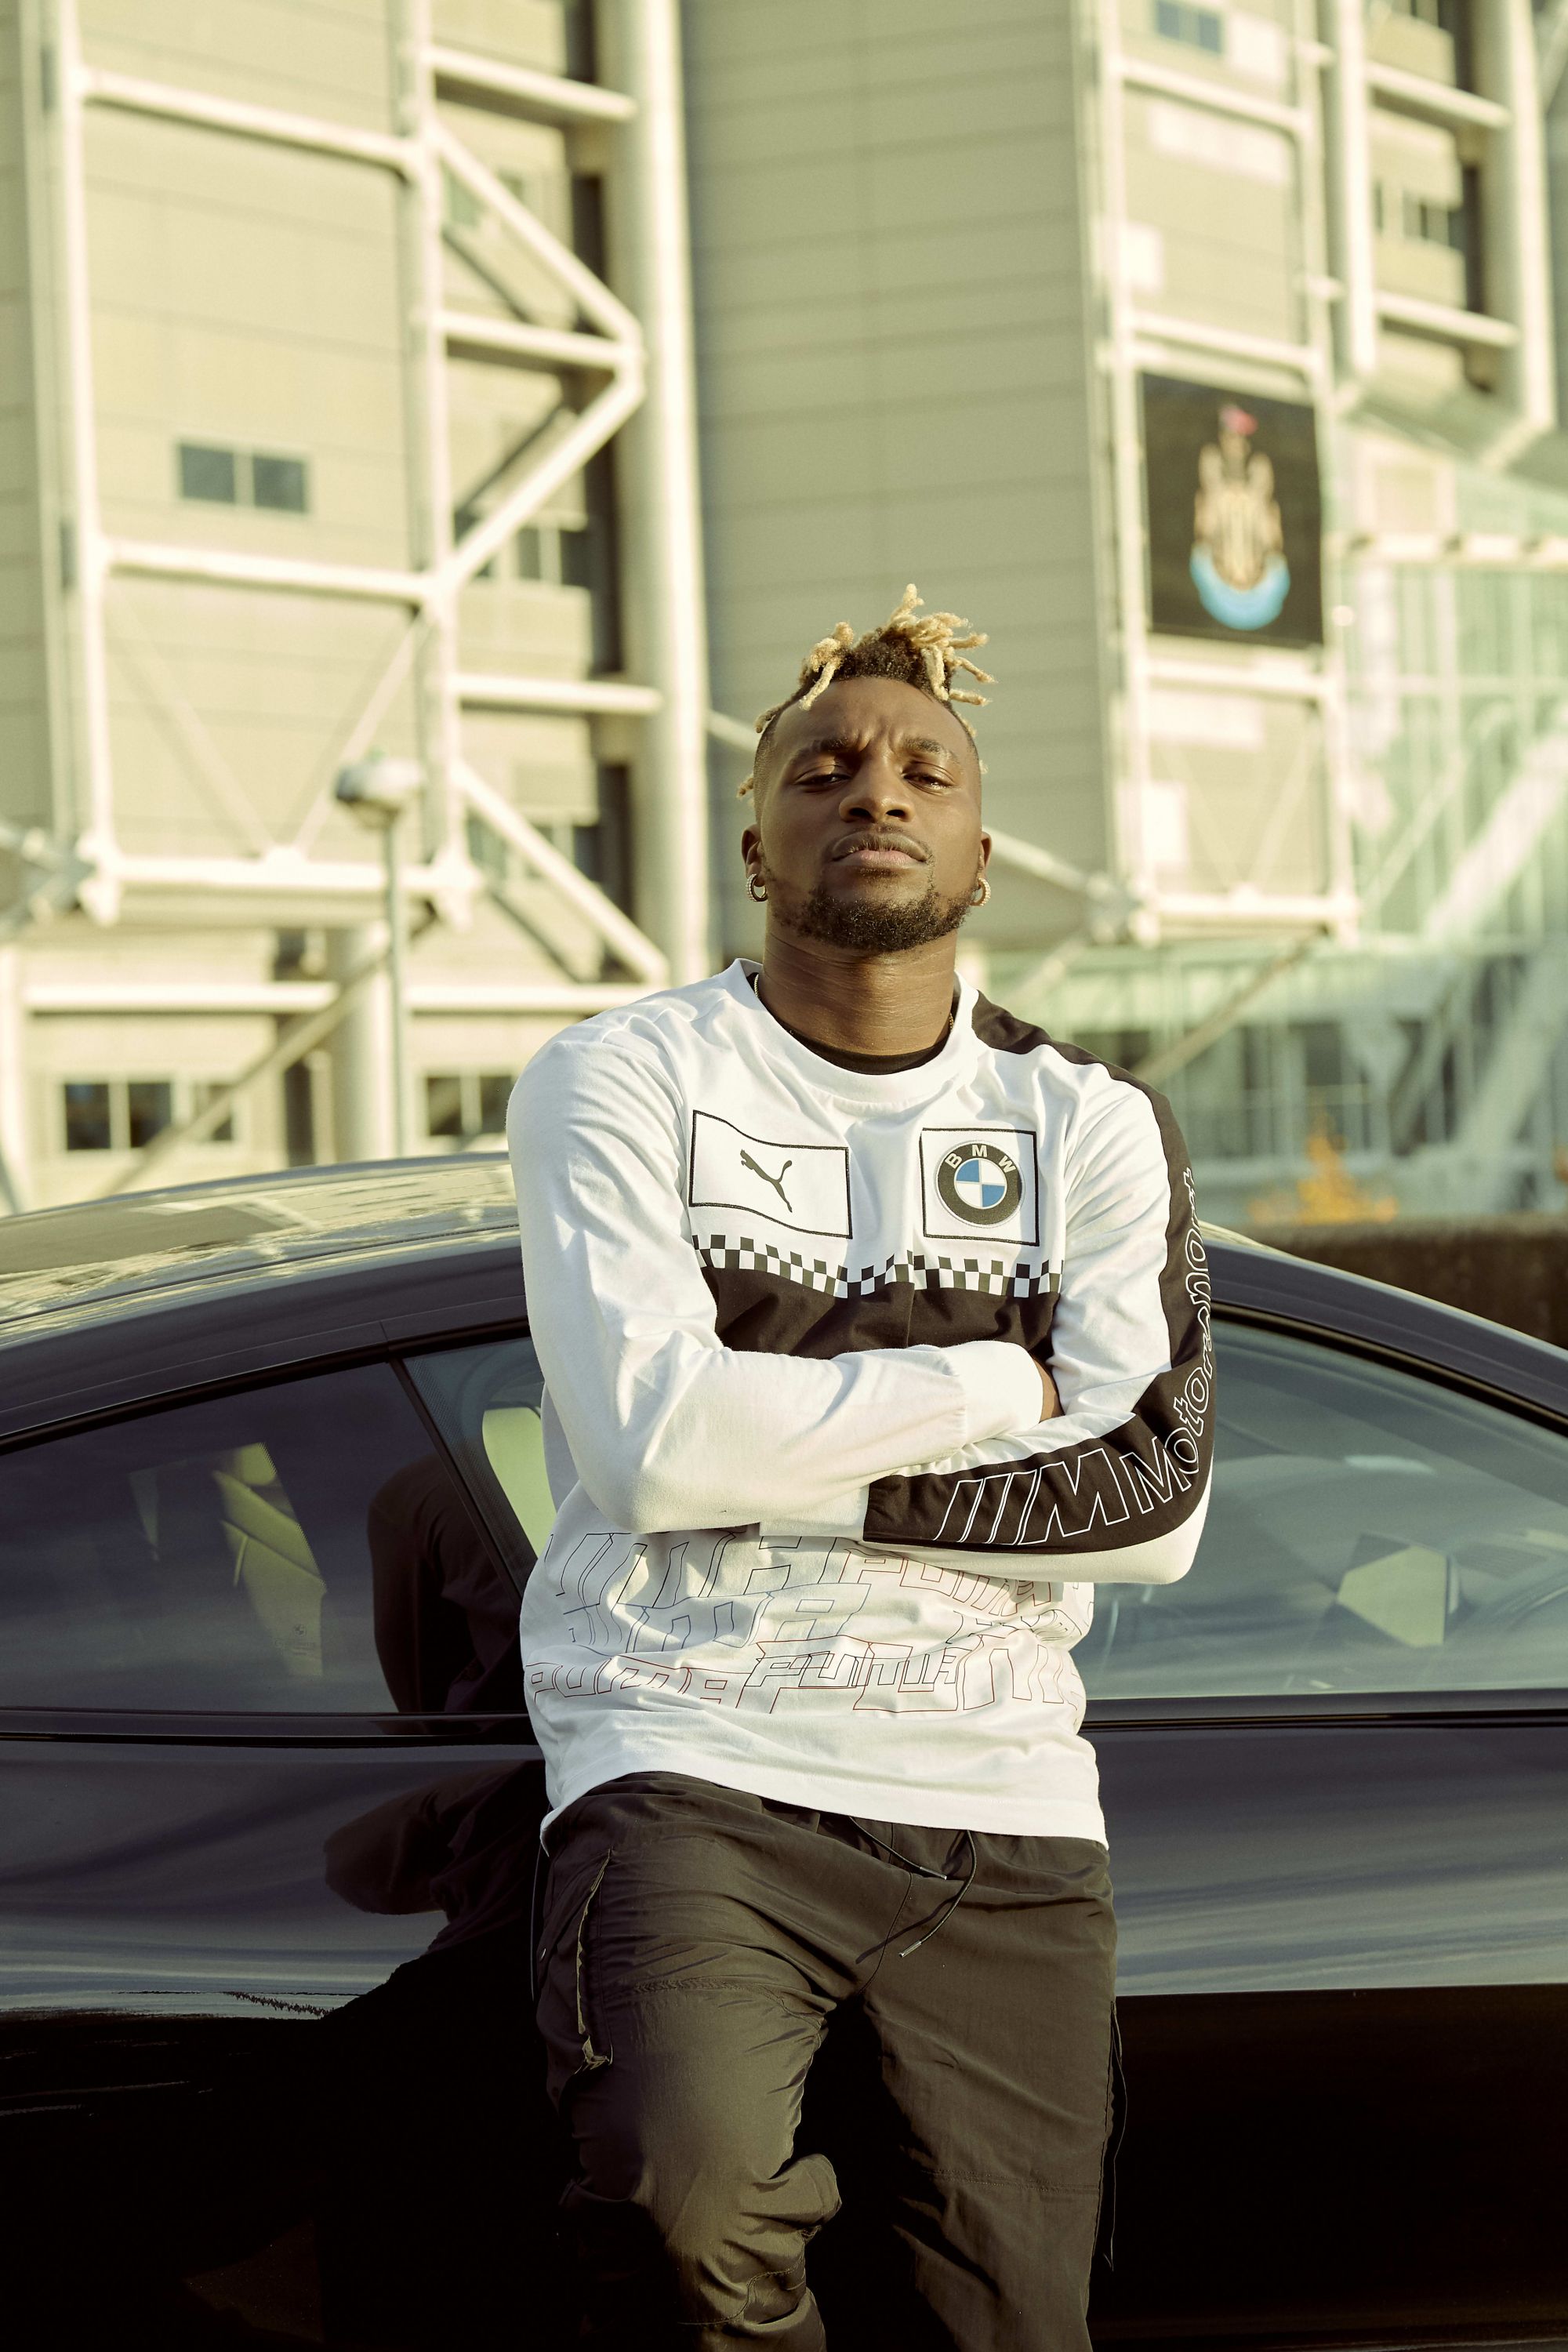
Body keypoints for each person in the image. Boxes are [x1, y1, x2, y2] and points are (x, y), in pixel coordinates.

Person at [507, 586, 1214, 2350]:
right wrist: (993, 1377)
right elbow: (652, 1449)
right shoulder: (621, 1078)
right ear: (758, 841)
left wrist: (761, 1452)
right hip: (692, 1759)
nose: (875, 791)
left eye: (922, 772)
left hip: (1001, 1801)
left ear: (979, 845)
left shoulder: (1092, 1124)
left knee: (1007, 2321)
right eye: (823, 770)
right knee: (678, 2216)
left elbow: (1149, 1496)